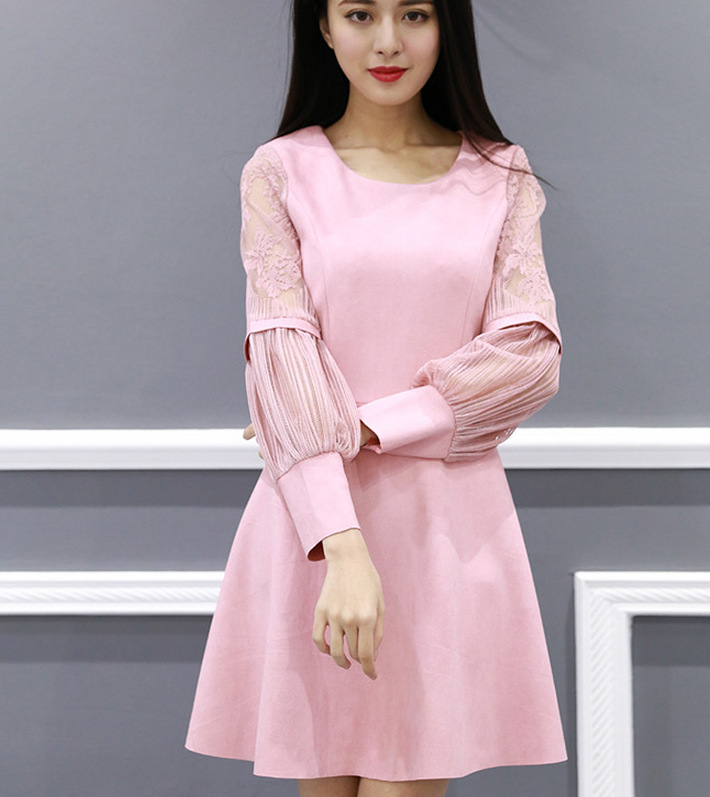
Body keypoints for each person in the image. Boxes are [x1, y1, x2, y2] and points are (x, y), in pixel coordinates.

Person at [185, 0, 567, 794]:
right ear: (324, 27)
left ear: (445, 26)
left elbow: (528, 358)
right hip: (316, 524)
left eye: (414, 14)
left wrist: (363, 424)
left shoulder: (500, 176)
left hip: (444, 530)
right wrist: (343, 547)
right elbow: (281, 354)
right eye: (360, 13)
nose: (388, 41)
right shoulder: (279, 172)